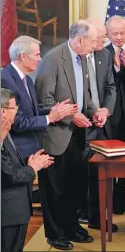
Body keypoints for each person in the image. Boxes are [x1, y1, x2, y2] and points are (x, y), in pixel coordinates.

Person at [35, 20, 101, 250]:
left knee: (74, 185)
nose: (96, 45)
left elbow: (83, 97)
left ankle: (72, 227)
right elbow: (44, 102)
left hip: (76, 135)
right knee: (54, 188)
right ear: (80, 40)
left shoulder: (82, 58)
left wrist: (94, 111)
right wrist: (72, 117)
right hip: (55, 136)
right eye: (93, 41)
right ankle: (55, 233)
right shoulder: (52, 59)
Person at [1, 36, 78, 160]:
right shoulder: (5, 80)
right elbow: (16, 123)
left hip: (31, 150)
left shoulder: (27, 80)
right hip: (16, 154)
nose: (40, 59)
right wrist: (50, 118)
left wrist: (55, 111)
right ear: (23, 56)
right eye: (36, 55)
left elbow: (31, 112)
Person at [1, 88, 54, 252]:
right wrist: (33, 168)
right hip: (8, 214)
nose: (17, 110)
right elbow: (10, 176)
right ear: (3, 111)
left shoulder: (6, 132)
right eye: (14, 107)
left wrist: (30, 163)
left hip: (16, 210)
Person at [83, 17, 118, 231]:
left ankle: (97, 218)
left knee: (101, 173)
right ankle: (81, 216)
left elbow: (110, 87)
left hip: (103, 125)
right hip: (82, 125)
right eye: (101, 37)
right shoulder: (75, 57)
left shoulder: (104, 54)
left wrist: (105, 109)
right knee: (81, 175)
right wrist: (93, 112)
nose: (103, 41)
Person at [105, 16, 125, 214]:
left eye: (122, 33)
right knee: (109, 161)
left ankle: (121, 196)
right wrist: (116, 68)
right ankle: (109, 201)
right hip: (109, 117)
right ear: (107, 33)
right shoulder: (100, 53)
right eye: (114, 33)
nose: (118, 37)